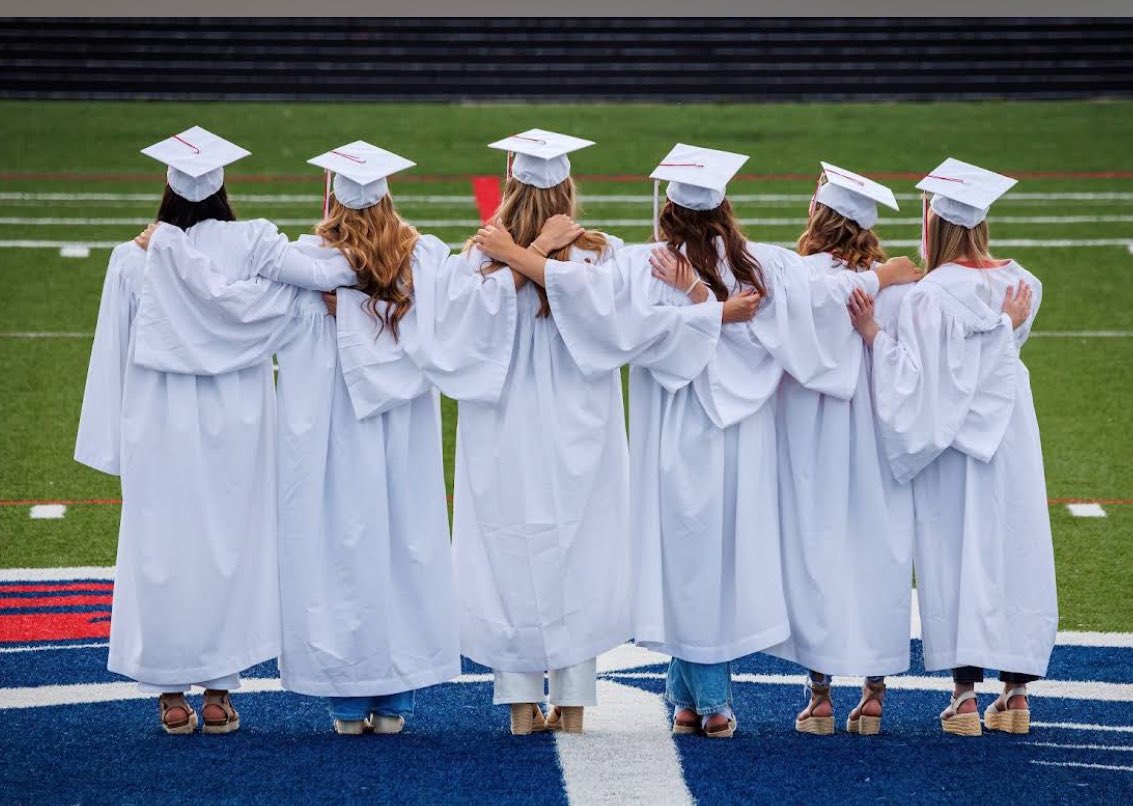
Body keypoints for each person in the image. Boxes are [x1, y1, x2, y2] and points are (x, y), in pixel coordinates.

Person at [474, 144, 921, 738]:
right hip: (742, 438)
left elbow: (592, 303)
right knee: (716, 564)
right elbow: (823, 291)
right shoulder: (760, 266)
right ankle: (687, 696)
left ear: (668, 211)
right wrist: (881, 273)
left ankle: (708, 702)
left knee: (688, 562)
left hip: (678, 433)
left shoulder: (647, 265)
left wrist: (515, 254)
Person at [76, 126, 337, 735]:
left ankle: (169, 694)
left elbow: (111, 353)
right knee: (231, 546)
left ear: (166, 186)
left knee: (162, 548)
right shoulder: (253, 244)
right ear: (224, 186)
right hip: (236, 421)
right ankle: (219, 692)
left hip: (158, 421)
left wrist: (111, 441)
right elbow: (306, 292)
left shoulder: (134, 257)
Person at [848, 158, 1056, 737]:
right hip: (1011, 432)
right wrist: (999, 330)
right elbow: (1000, 360)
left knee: (956, 550)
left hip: (953, 440)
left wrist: (873, 338)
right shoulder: (1025, 285)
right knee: (1012, 546)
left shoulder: (928, 295)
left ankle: (964, 698)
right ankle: (1016, 697)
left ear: (932, 220)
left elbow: (921, 381)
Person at [449, 129, 635, 736]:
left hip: (505, 421)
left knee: (509, 544)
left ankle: (521, 703)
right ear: (567, 188)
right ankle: (574, 701)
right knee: (575, 546)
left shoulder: (479, 259)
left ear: (508, 177)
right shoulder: (601, 254)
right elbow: (613, 331)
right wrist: (541, 253)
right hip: (578, 425)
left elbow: (462, 337)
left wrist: (515, 257)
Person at [761, 163, 916, 736]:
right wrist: (883, 278)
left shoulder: (798, 279)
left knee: (816, 549)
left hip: (810, 437)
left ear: (818, 218)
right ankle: (874, 693)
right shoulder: (890, 288)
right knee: (874, 546)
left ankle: (820, 694)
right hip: (873, 436)